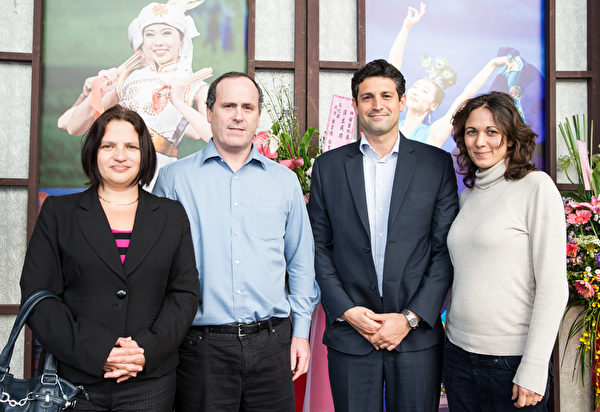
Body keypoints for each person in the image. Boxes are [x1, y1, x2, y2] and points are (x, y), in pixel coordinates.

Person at [152, 72, 320, 412]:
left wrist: (301, 333)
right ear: (209, 112)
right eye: (228, 106)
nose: (238, 116)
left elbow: (301, 262)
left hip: (273, 344)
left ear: (258, 116)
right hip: (200, 347)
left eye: (248, 107)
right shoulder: (174, 180)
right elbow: (155, 268)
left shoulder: (284, 181)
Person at [20, 105, 200, 412]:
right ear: (93, 152)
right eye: (108, 146)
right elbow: (39, 296)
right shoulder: (59, 213)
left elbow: (184, 293)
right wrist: (99, 351)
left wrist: (144, 350)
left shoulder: (171, 215)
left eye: (131, 147)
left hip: (149, 381)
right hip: (73, 380)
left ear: (145, 154)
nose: (120, 156)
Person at [308, 59, 459, 412]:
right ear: (356, 105)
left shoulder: (436, 165)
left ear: (402, 101)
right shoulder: (328, 167)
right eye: (368, 97)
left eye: (386, 96)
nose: (377, 104)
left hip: (416, 337)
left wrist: (409, 318)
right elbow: (318, 247)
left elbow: (444, 251)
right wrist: (347, 311)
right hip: (351, 334)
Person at [444, 91, 568, 410]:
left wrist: (534, 367)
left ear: (511, 138)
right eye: (471, 132)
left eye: (492, 131)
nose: (480, 141)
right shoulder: (467, 197)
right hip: (458, 357)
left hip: (511, 363)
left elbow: (553, 287)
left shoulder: (536, 187)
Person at [63, 2, 212, 190]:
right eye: (150, 34)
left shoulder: (194, 84)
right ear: (142, 39)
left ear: (182, 38)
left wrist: (178, 102)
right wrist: (97, 90)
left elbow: (213, 136)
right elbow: (74, 127)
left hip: (160, 173)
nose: (158, 41)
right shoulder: (128, 78)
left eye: (166, 33)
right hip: (121, 165)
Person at [388, 2, 508, 147]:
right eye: (415, 87)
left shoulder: (434, 133)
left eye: (425, 91)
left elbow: (465, 96)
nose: (416, 92)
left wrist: (492, 65)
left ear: (433, 105)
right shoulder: (390, 125)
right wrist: (406, 27)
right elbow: (390, 74)